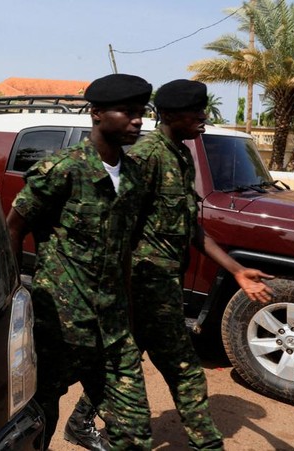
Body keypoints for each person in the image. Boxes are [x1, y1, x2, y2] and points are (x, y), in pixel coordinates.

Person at [66, 79, 274, 451]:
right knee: (184, 369)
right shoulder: (147, 156)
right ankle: (207, 444)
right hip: (143, 286)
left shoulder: (179, 155)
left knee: (130, 361)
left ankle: (81, 421)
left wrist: (236, 269)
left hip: (163, 286)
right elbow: (119, 227)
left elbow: (190, 226)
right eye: (197, 112)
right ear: (172, 115)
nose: (204, 119)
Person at [6, 73, 154, 450]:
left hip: (114, 325)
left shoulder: (135, 177)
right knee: (41, 412)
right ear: (97, 113)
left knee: (134, 425)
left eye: (141, 112)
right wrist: (13, 297)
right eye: (128, 112)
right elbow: (14, 226)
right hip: (61, 321)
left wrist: (131, 315)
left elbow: (124, 251)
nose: (138, 120)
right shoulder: (62, 170)